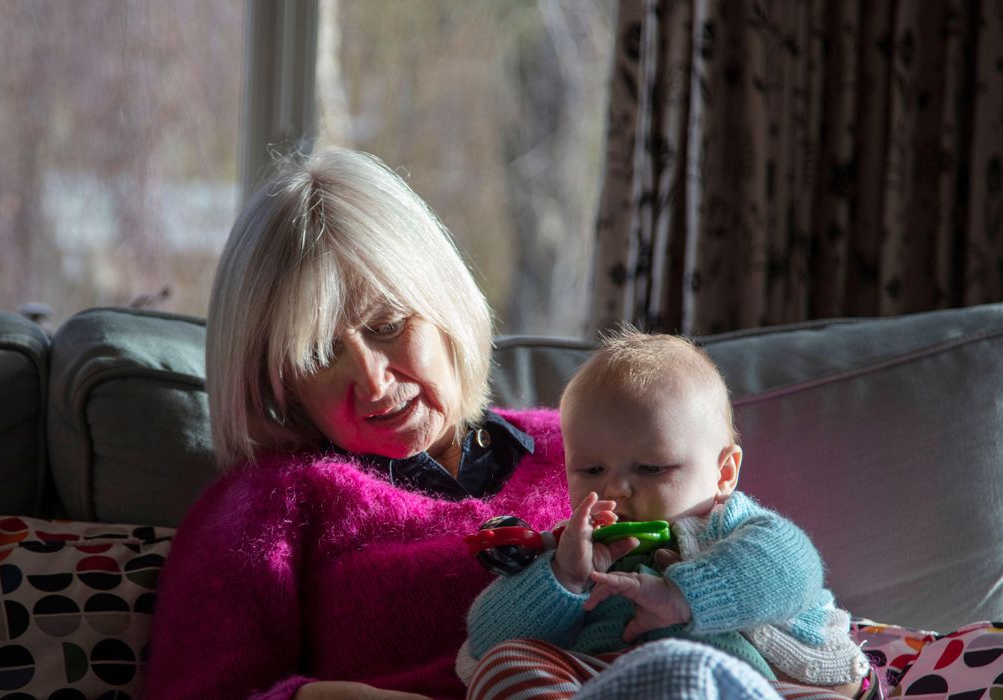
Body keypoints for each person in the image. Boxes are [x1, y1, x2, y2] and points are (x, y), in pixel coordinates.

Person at [142, 147, 576, 699]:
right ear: (281, 381)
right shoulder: (264, 508)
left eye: (389, 325)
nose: (373, 383)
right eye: (321, 355)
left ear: (445, 306)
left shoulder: (585, 444)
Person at [458, 328, 873, 700]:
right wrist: (562, 578)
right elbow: (484, 637)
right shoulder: (570, 549)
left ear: (724, 473)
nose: (614, 488)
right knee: (505, 665)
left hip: (745, 676)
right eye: (591, 470)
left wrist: (683, 597)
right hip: (607, 679)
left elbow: (796, 569)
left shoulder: (731, 526)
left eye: (652, 468)